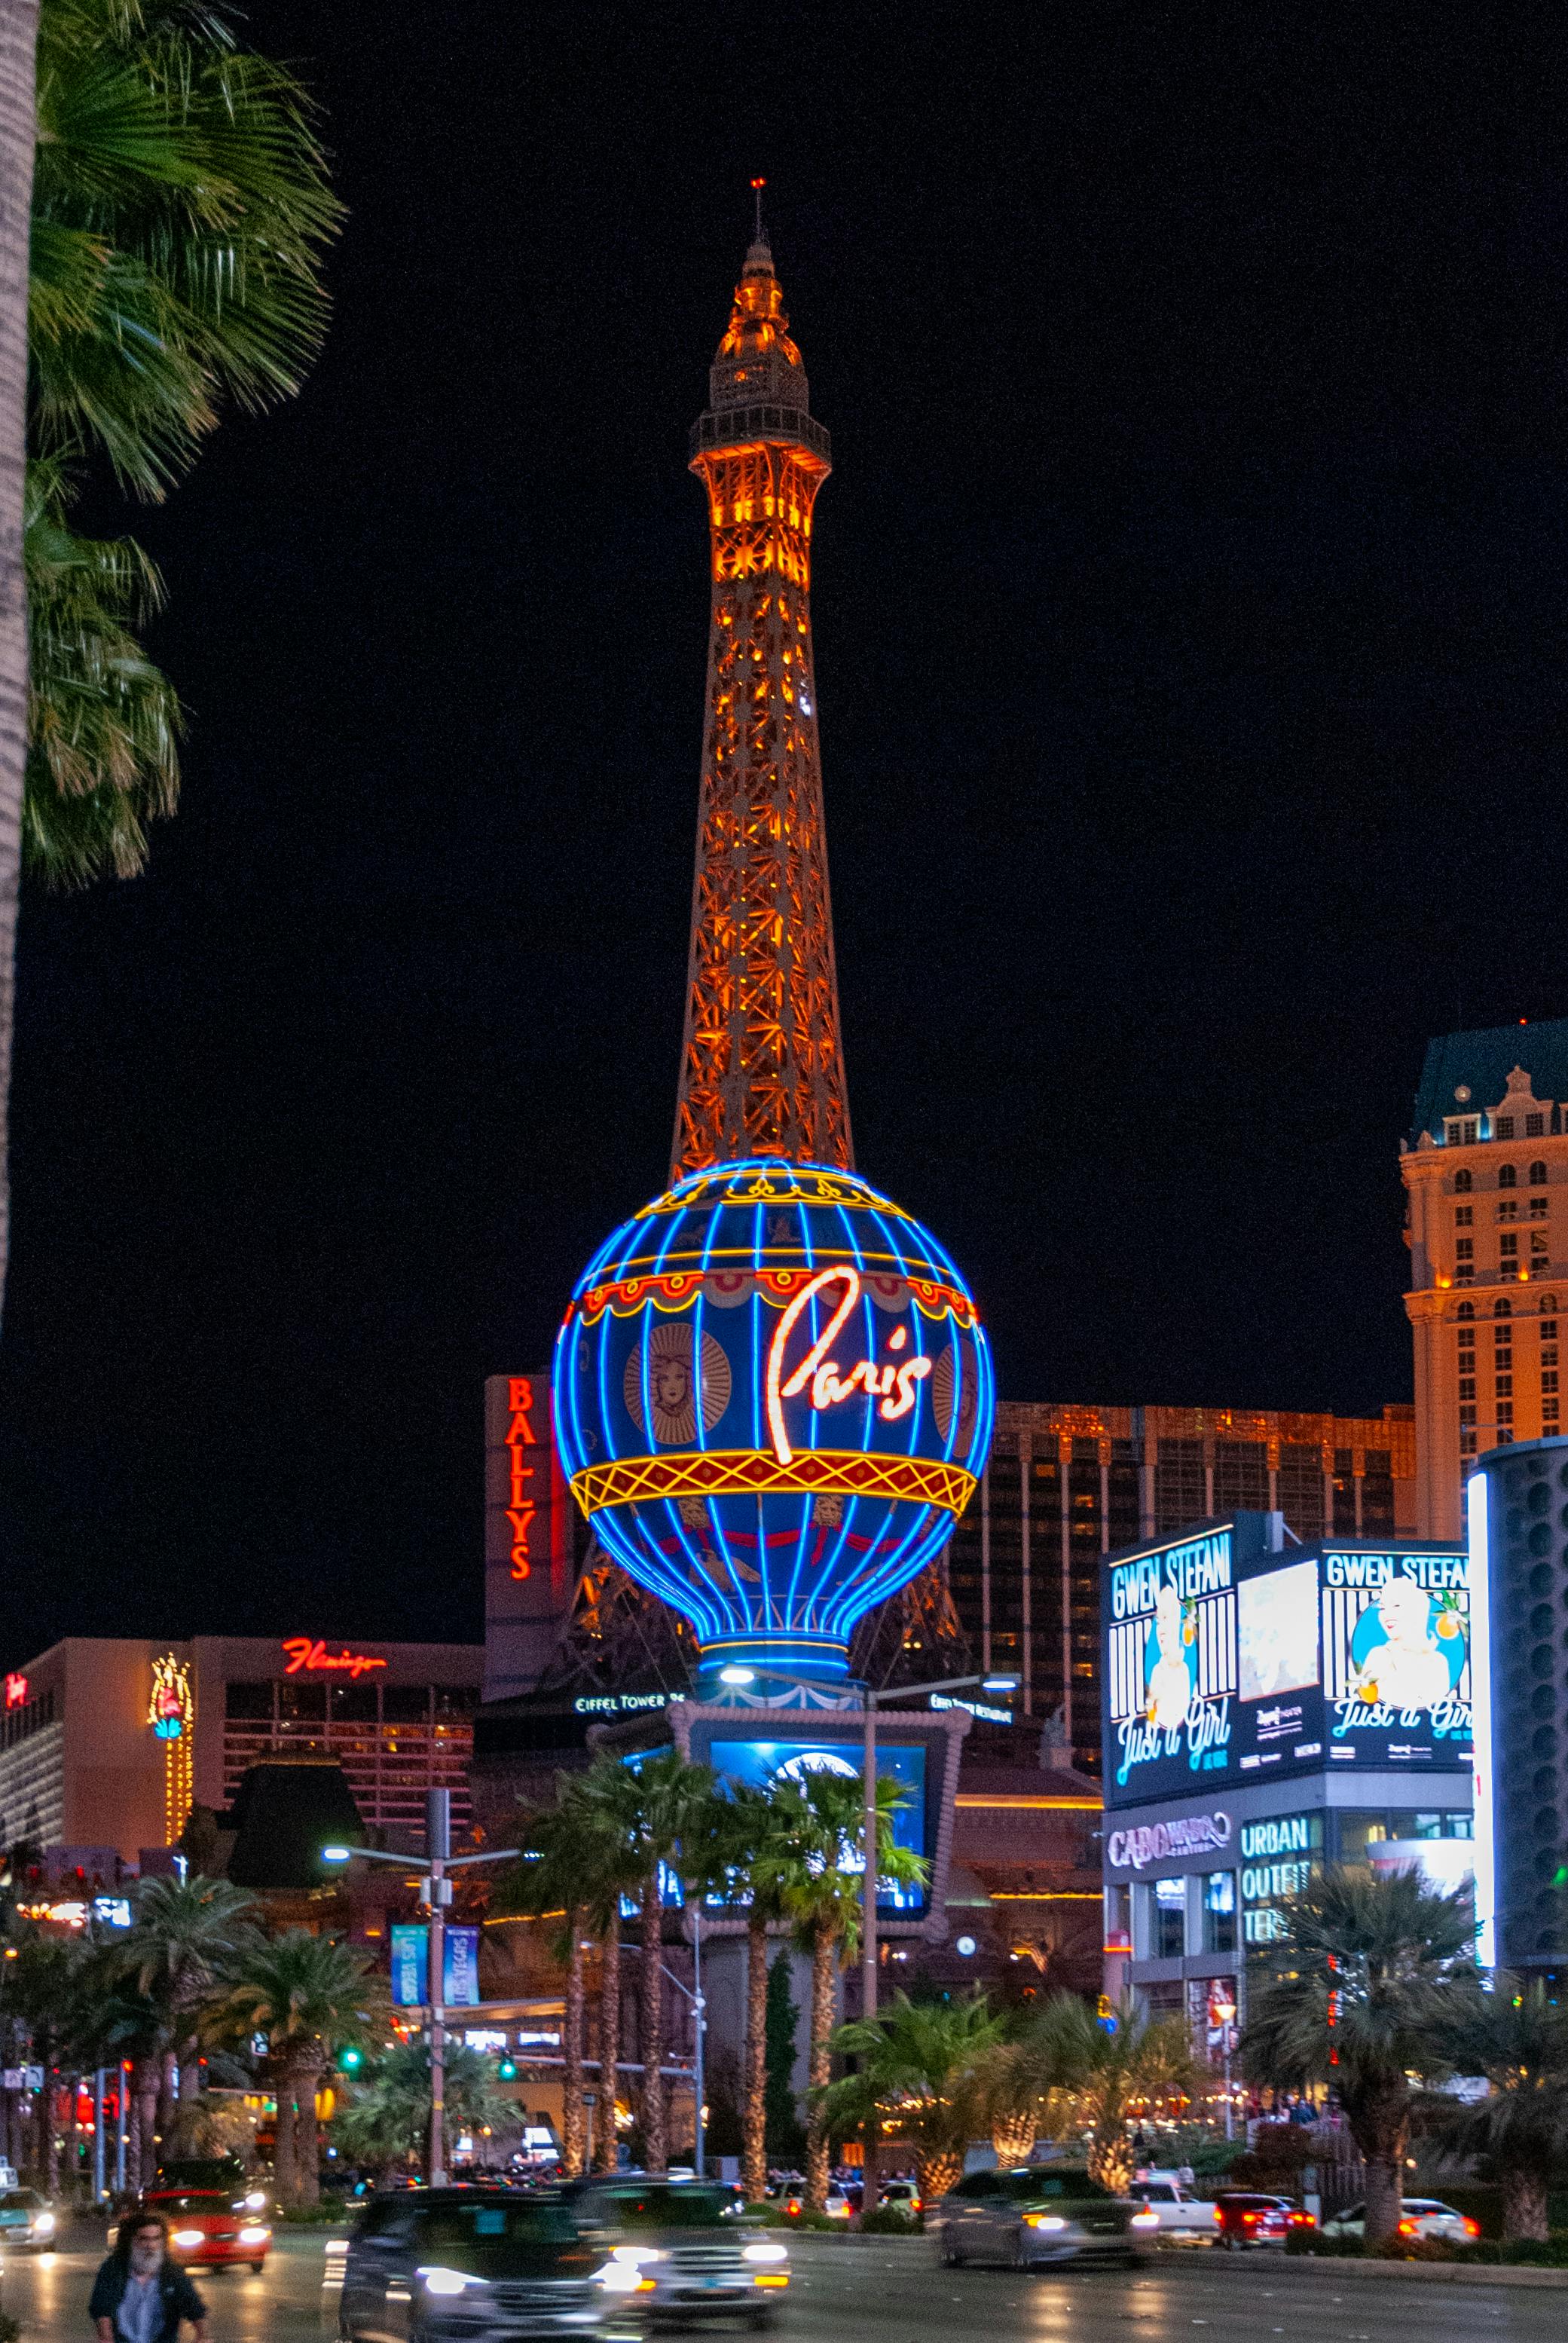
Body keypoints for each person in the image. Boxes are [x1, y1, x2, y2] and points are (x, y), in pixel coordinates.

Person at [90, 2212, 210, 2343]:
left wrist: (202, 2336)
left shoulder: (172, 2272)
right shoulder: (113, 2269)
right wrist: (106, 2337)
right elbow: (102, 2308)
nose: (151, 2246)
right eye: (144, 2239)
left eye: (156, 2239)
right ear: (130, 2240)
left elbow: (193, 2305)